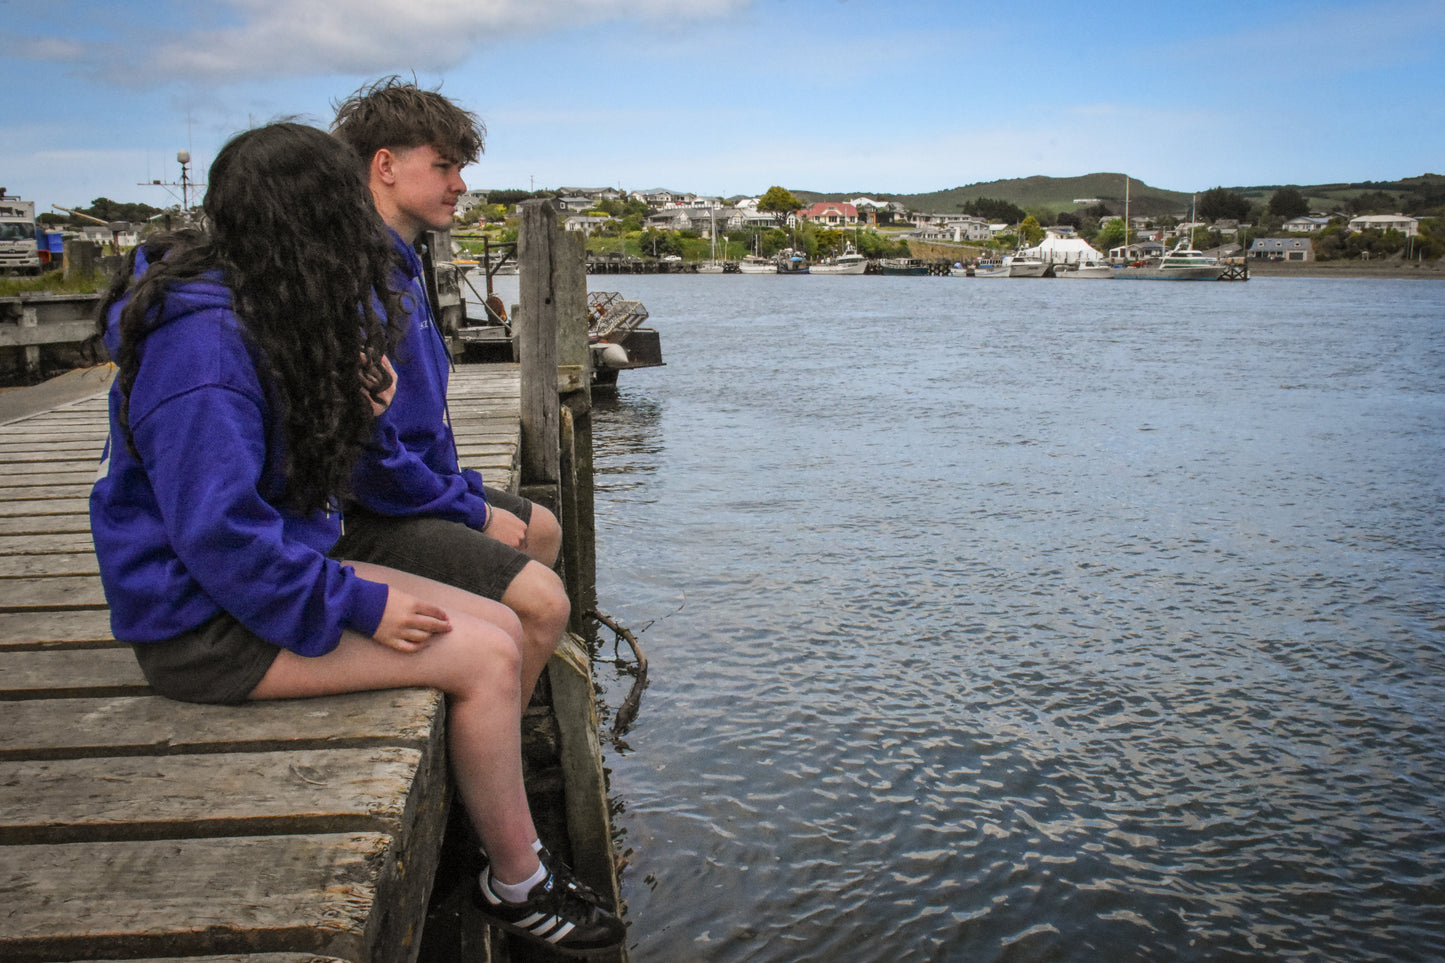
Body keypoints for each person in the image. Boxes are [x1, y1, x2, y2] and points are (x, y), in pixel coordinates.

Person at [88, 122, 623, 957]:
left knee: (510, 628)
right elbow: (217, 533)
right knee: (482, 656)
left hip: (272, 580)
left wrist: (347, 412)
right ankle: (516, 883)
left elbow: (282, 477)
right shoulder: (200, 350)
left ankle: (494, 820)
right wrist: (359, 601)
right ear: (309, 222)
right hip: (202, 627)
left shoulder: (254, 305)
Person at [329, 78, 572, 724]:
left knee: (541, 527)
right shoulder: (354, 274)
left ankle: (493, 708)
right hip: (365, 512)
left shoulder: (402, 260)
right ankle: (494, 735)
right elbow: (364, 458)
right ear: (384, 165)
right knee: (545, 604)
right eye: (442, 165)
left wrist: (461, 493)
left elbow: (419, 427)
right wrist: (465, 507)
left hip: (412, 487)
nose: (459, 183)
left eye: (459, 167)